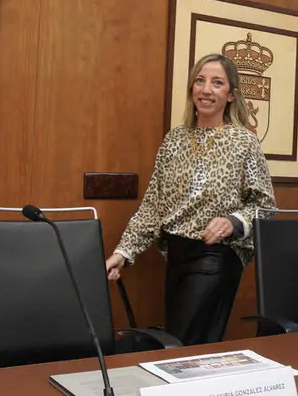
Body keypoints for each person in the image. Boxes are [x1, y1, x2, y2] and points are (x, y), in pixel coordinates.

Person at [105, 53, 276, 345]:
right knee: (186, 347)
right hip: (176, 255)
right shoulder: (174, 140)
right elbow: (153, 206)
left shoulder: (243, 142)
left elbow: (265, 206)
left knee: (181, 343)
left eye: (217, 83)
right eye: (200, 81)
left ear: (231, 95)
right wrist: (123, 252)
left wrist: (233, 222)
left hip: (216, 255)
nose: (206, 89)